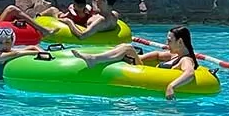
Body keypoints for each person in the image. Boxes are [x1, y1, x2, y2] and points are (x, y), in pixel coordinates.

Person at [71, 26, 200, 100]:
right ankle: (97, 58)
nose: (167, 43)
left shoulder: (185, 60)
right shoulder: (174, 55)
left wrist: (171, 86)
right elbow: (156, 55)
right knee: (125, 48)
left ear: (180, 42)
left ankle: (93, 60)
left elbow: (189, 73)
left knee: (127, 48)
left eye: (169, 41)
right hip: (143, 70)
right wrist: (139, 58)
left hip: (145, 77)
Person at [54, 0, 120, 40]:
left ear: (104, 0)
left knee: (54, 11)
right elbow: (100, 12)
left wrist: (69, 22)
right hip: (106, 39)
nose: (97, 0)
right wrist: (93, 0)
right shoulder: (115, 15)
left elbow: (82, 36)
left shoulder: (101, 21)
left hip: (87, 41)